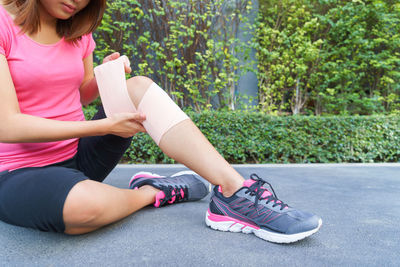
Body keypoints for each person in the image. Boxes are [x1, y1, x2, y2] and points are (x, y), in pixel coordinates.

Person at [0, 0, 322, 243]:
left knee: (136, 85)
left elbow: (81, 93)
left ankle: (233, 191)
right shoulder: (3, 23)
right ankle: (156, 191)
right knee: (85, 208)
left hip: (78, 159)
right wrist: (101, 127)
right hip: (16, 174)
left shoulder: (75, 25)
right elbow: (8, 126)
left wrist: (103, 77)